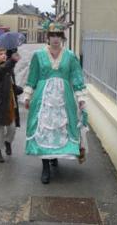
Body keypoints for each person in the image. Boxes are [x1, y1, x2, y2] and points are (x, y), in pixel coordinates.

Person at [23, 22, 88, 184]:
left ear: (62, 37)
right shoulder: (38, 55)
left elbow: (76, 77)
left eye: (58, 35)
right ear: (48, 37)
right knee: (44, 128)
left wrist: (80, 98)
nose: (55, 39)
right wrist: (27, 96)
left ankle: (54, 157)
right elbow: (33, 77)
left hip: (63, 99)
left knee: (61, 128)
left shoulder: (70, 56)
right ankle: (45, 166)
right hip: (43, 99)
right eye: (52, 35)